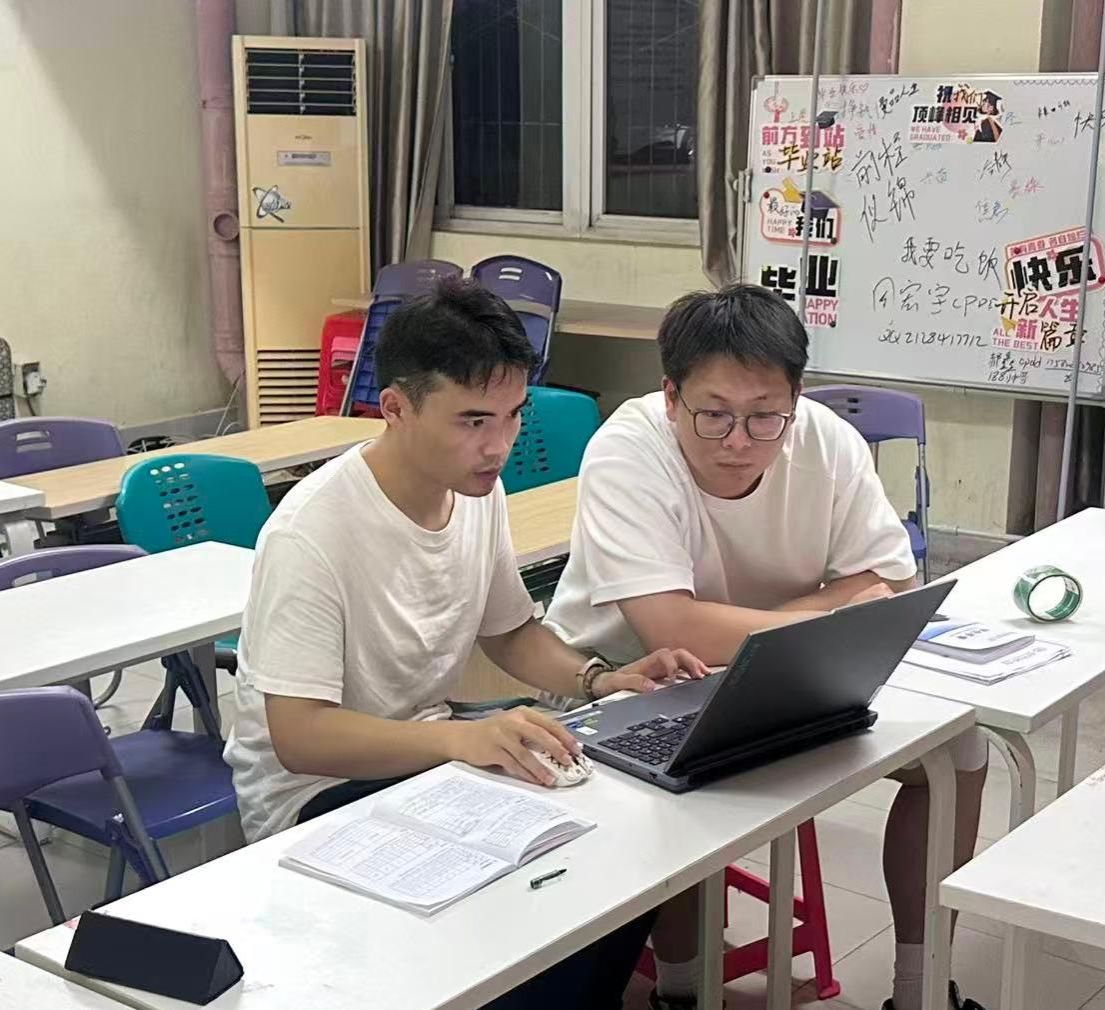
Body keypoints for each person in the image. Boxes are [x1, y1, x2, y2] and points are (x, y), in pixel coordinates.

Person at [223, 277, 706, 1010]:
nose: (499, 445)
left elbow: (510, 631)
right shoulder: (312, 532)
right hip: (317, 797)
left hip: (425, 762)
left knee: (625, 849)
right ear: (395, 408)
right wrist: (460, 739)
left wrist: (603, 679)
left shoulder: (476, 493)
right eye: (473, 420)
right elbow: (300, 738)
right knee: (536, 893)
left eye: (513, 416)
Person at [544, 284, 989, 1010]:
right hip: (626, 681)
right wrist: (824, 614)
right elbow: (669, 629)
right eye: (714, 414)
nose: (739, 441)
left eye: (763, 416)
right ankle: (682, 993)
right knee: (675, 768)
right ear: (671, 397)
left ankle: (921, 990)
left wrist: (770, 630)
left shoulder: (824, 440)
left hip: (784, 672)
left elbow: (891, 578)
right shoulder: (627, 451)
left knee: (958, 752)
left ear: (795, 398)